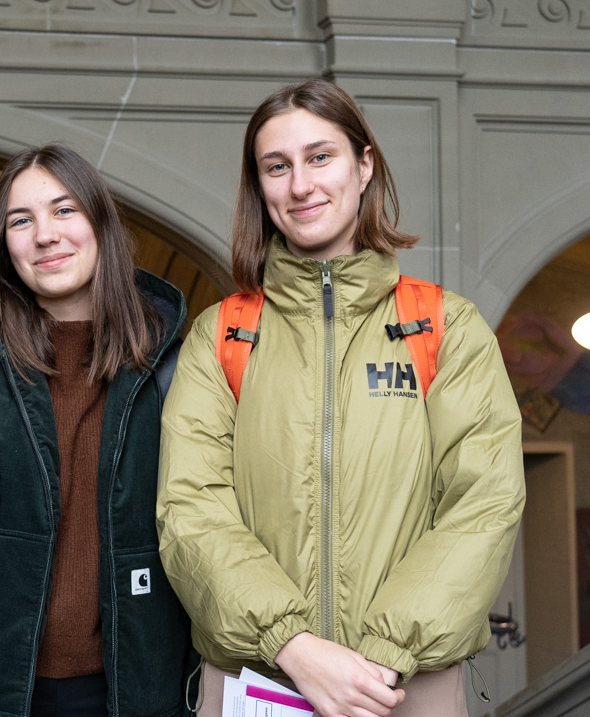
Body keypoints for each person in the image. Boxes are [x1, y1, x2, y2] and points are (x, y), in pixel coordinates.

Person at [156, 79, 525, 717]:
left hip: (405, 685)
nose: (300, 185)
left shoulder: (445, 325)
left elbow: (484, 504)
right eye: (278, 166)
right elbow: (191, 510)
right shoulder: (222, 334)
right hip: (258, 680)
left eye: (320, 157)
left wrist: (374, 664)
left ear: (364, 165)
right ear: (260, 187)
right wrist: (295, 646)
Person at [0, 144, 196, 717]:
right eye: (21, 220)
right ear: (3, 245)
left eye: (65, 211)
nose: (45, 235)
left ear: (101, 225)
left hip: (132, 694)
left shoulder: (173, 373)